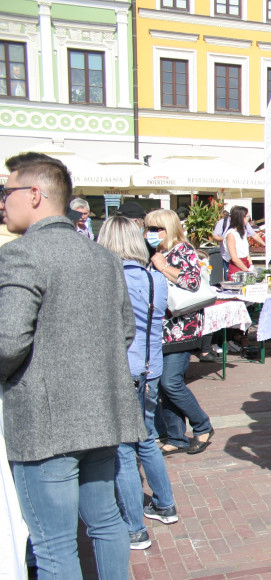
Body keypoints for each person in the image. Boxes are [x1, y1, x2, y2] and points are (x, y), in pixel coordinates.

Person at [0, 152, 145, 580]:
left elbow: (6, 343)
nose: (2, 201)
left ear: (35, 195)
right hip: (102, 412)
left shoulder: (23, 256)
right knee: (104, 521)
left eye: (7, 191)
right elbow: (124, 334)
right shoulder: (103, 258)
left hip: (48, 421)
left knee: (56, 545)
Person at [97, 216, 179, 551]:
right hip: (151, 366)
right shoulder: (155, 278)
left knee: (123, 449)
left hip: (124, 368)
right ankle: (165, 504)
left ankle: (134, 527)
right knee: (146, 438)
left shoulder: (111, 278)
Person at [147, 209, 216, 456]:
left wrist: (163, 267)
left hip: (182, 328)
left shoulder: (182, 250)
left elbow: (193, 282)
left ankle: (202, 426)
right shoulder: (158, 252)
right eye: (149, 228)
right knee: (164, 386)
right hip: (162, 328)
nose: (151, 233)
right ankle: (176, 436)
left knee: (171, 382)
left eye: (157, 229)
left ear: (170, 228)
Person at [223, 205, 255, 277]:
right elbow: (234, 258)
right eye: (247, 217)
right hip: (236, 269)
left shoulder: (242, 233)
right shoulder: (231, 234)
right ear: (241, 218)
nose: (248, 219)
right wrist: (246, 270)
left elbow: (246, 253)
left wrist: (251, 265)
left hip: (245, 264)